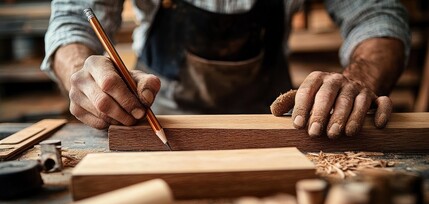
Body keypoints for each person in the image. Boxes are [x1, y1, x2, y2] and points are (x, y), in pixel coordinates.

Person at [41, 0, 410, 139]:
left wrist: (361, 76)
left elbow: (378, 14)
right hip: (151, 117)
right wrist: (83, 70)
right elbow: (73, 17)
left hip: (278, 127)